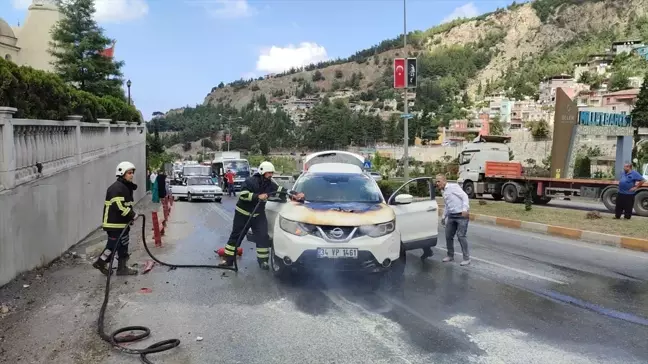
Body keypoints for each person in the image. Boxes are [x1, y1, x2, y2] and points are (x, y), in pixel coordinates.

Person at [218, 161, 305, 270]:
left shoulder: (269, 184)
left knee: (263, 237)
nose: (271, 175)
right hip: (243, 214)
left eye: (272, 173)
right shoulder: (250, 181)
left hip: (258, 215)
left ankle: (263, 262)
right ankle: (228, 260)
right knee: (236, 237)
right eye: (269, 173)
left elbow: (281, 190)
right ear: (262, 172)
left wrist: (295, 194)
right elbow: (243, 195)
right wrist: (257, 196)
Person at [93, 162, 139, 276]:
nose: (131, 175)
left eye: (132, 173)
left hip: (122, 224)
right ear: (122, 173)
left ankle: (122, 268)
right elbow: (119, 206)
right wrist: (132, 215)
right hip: (114, 224)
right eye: (129, 173)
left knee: (123, 244)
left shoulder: (125, 187)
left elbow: (126, 205)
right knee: (113, 246)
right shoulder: (116, 188)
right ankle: (101, 262)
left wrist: (129, 219)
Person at [436, 174, 471, 266]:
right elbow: (448, 205)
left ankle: (466, 258)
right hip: (451, 216)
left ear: (444, 181)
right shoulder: (443, 192)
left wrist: (464, 209)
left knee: (461, 236)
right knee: (448, 236)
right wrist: (444, 216)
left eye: (438, 181)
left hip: (461, 215)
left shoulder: (453, 187)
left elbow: (464, 196)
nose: (437, 183)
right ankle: (450, 255)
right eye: (436, 181)